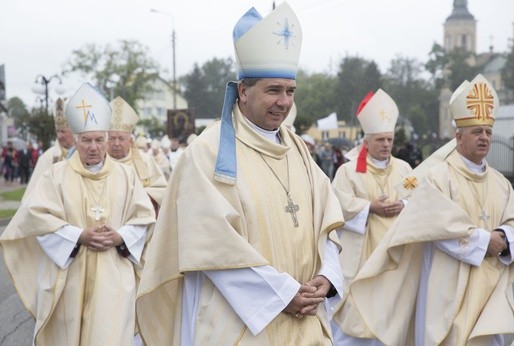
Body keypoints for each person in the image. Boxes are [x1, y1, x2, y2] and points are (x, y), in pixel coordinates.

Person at [136, 3, 345, 345]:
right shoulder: (207, 153)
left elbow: (327, 222)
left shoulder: (299, 150)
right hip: (237, 322)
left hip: (305, 316)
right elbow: (212, 246)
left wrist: (327, 275)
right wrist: (281, 294)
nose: (283, 102)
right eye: (273, 90)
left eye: (290, 91)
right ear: (243, 90)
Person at [343, 74, 514, 345]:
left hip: (491, 287)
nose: (484, 138)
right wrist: (486, 240)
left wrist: (505, 238)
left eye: (488, 132)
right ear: (458, 136)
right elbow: (433, 223)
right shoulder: (439, 177)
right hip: (448, 288)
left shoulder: (501, 183)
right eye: (477, 132)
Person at [0, 82, 156, 345]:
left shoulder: (126, 175)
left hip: (114, 279)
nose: (93, 147)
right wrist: (78, 235)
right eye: (86, 140)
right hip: (67, 280)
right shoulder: (56, 175)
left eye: (98, 140)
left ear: (105, 139)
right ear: (76, 139)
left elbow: (143, 219)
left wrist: (120, 237)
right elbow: (37, 219)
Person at [330, 89, 412, 345]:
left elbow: (422, 202)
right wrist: (369, 207)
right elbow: (336, 205)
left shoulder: (405, 169)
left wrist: (404, 203)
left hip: (396, 257)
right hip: (361, 258)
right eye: (380, 140)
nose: (386, 145)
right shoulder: (348, 171)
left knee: (392, 317)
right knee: (357, 320)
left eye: (389, 139)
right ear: (366, 142)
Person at [107, 96, 168, 209]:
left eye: (121, 138)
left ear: (130, 141)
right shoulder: (99, 163)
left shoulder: (145, 160)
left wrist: (138, 196)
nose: (116, 143)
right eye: (112, 138)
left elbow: (162, 190)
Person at [24, 98, 76, 198]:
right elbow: (33, 192)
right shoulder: (47, 157)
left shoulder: (84, 154)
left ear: (73, 131)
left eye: (63, 131)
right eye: (58, 131)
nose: (60, 136)